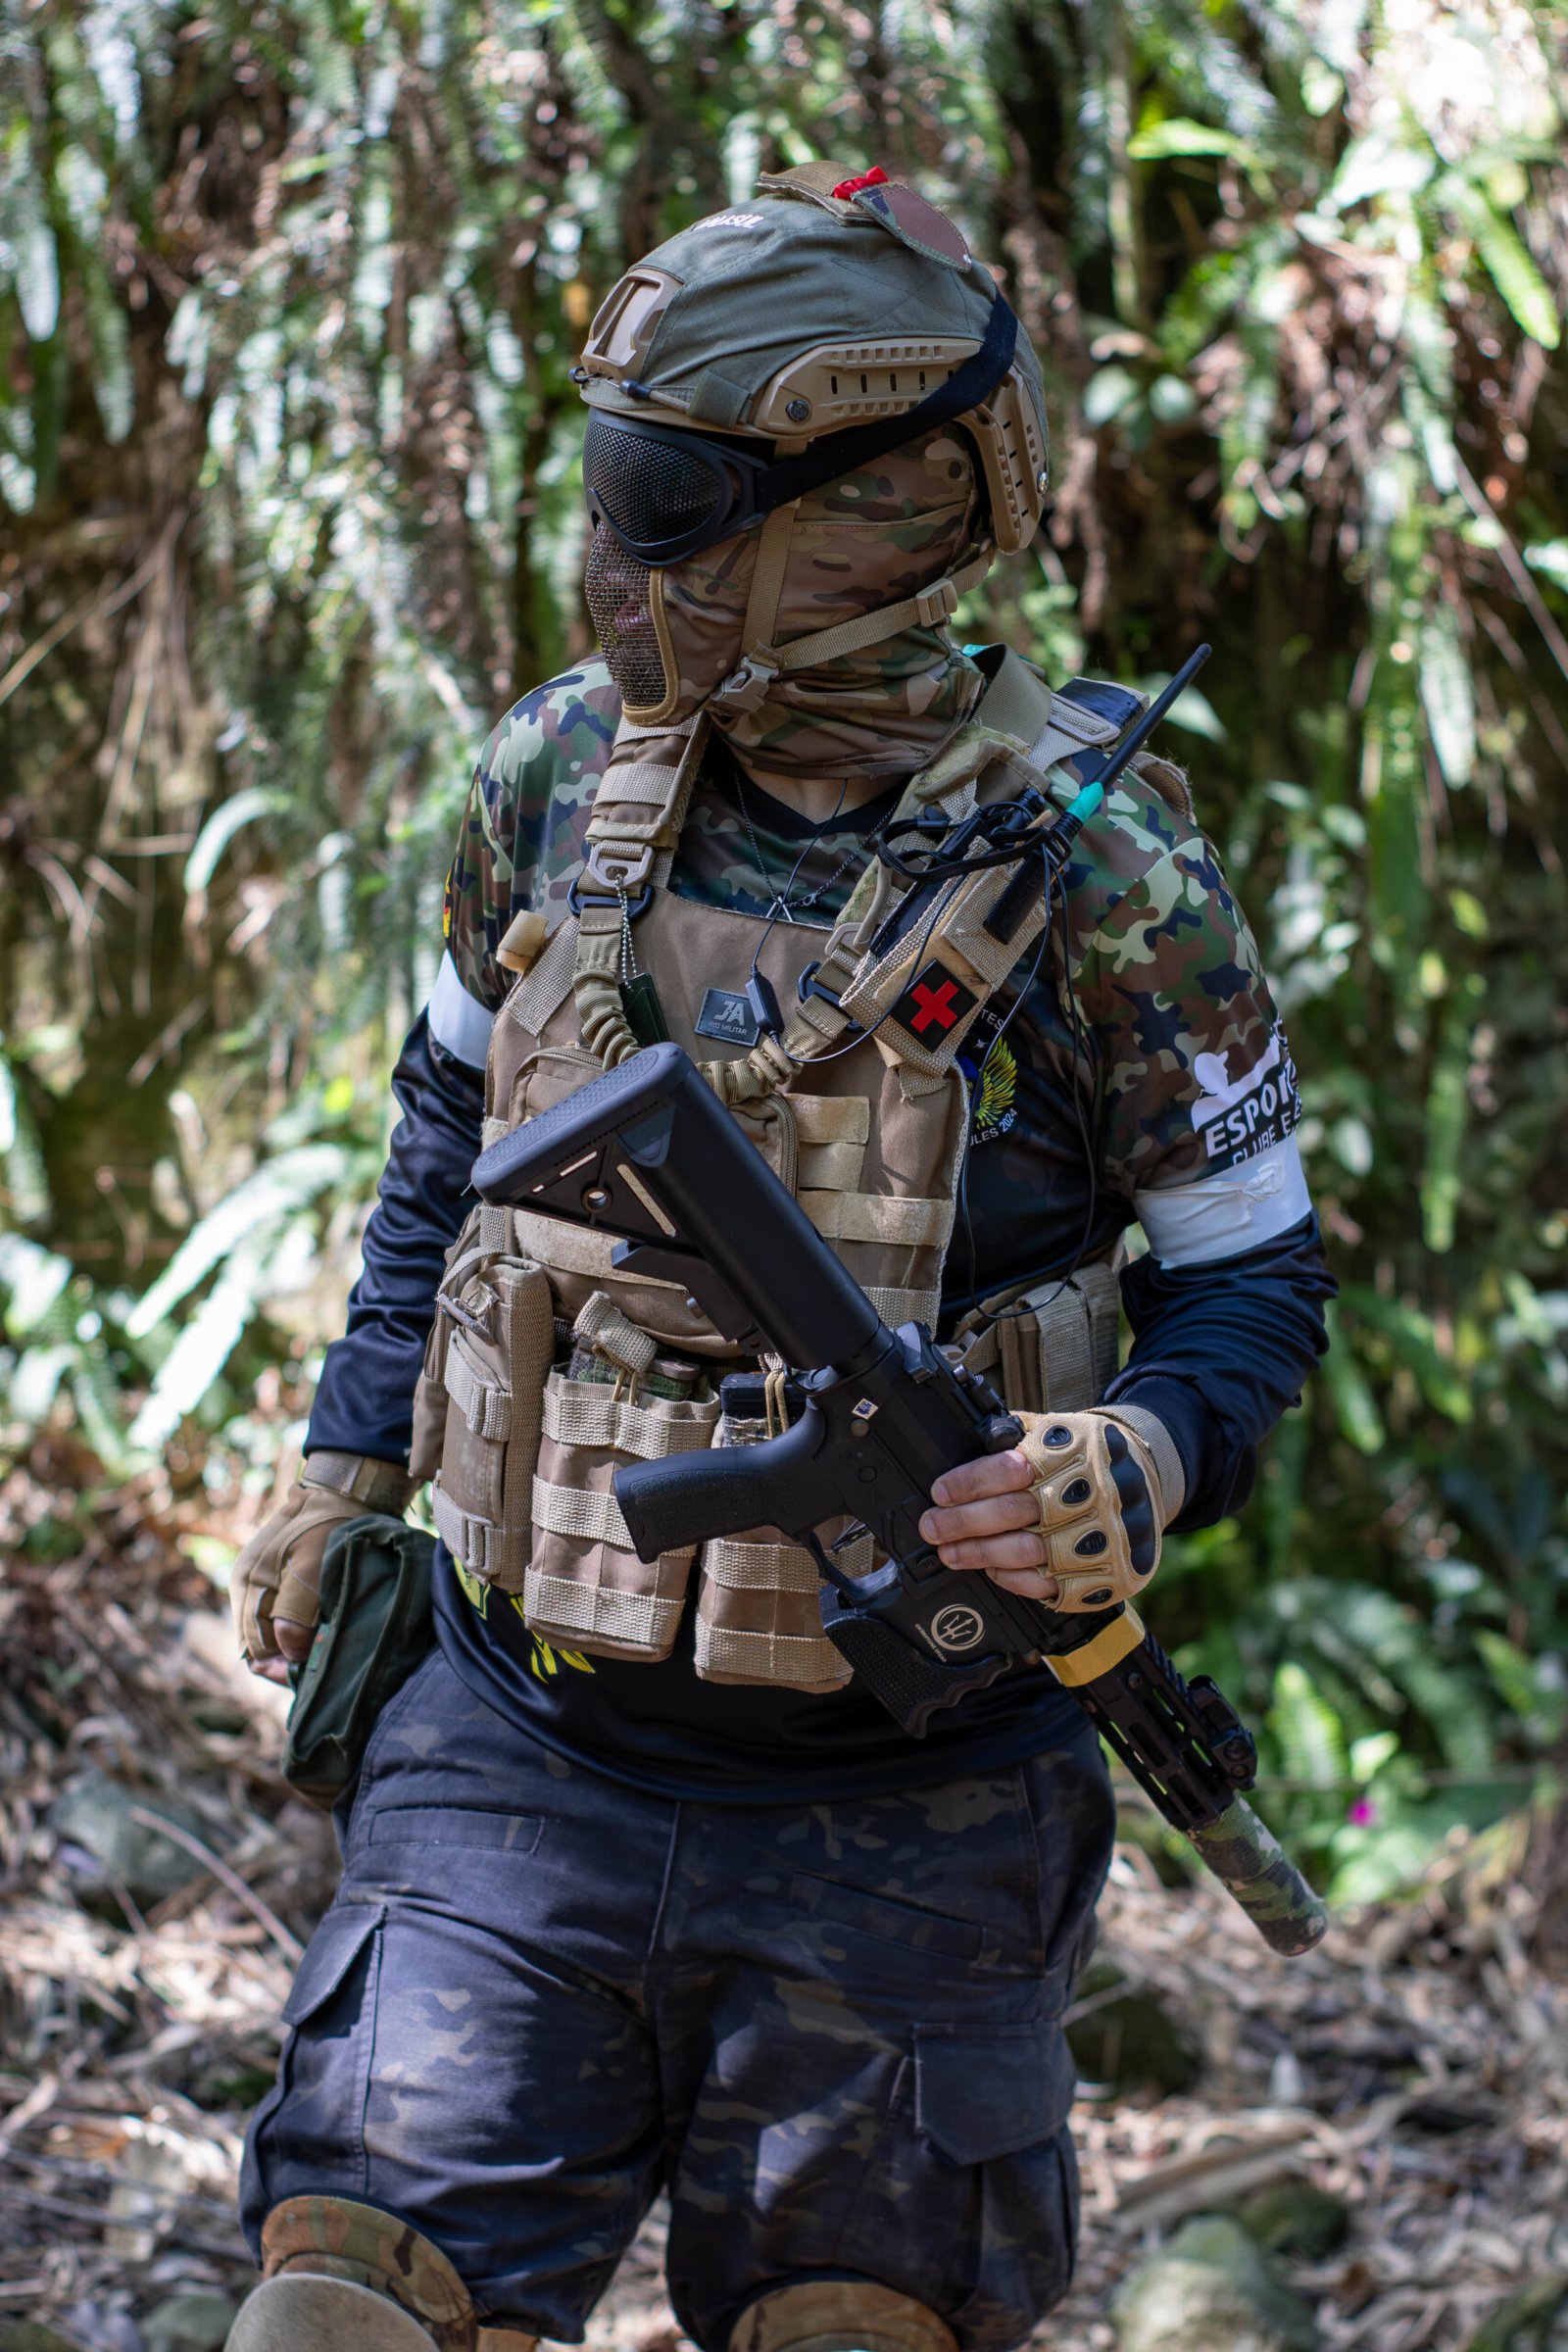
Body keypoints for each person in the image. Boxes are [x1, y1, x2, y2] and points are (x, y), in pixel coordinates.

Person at [224, 165, 1334, 2352]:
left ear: (896, 501)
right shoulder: (557, 775)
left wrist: (1138, 1455)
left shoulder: (1102, 858)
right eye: (618, 482)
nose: (621, 550)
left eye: (673, 498)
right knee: (341, 2309)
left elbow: (1250, 1281)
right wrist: (349, 1466)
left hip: (912, 1798)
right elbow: (446, 1145)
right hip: (519, 1739)